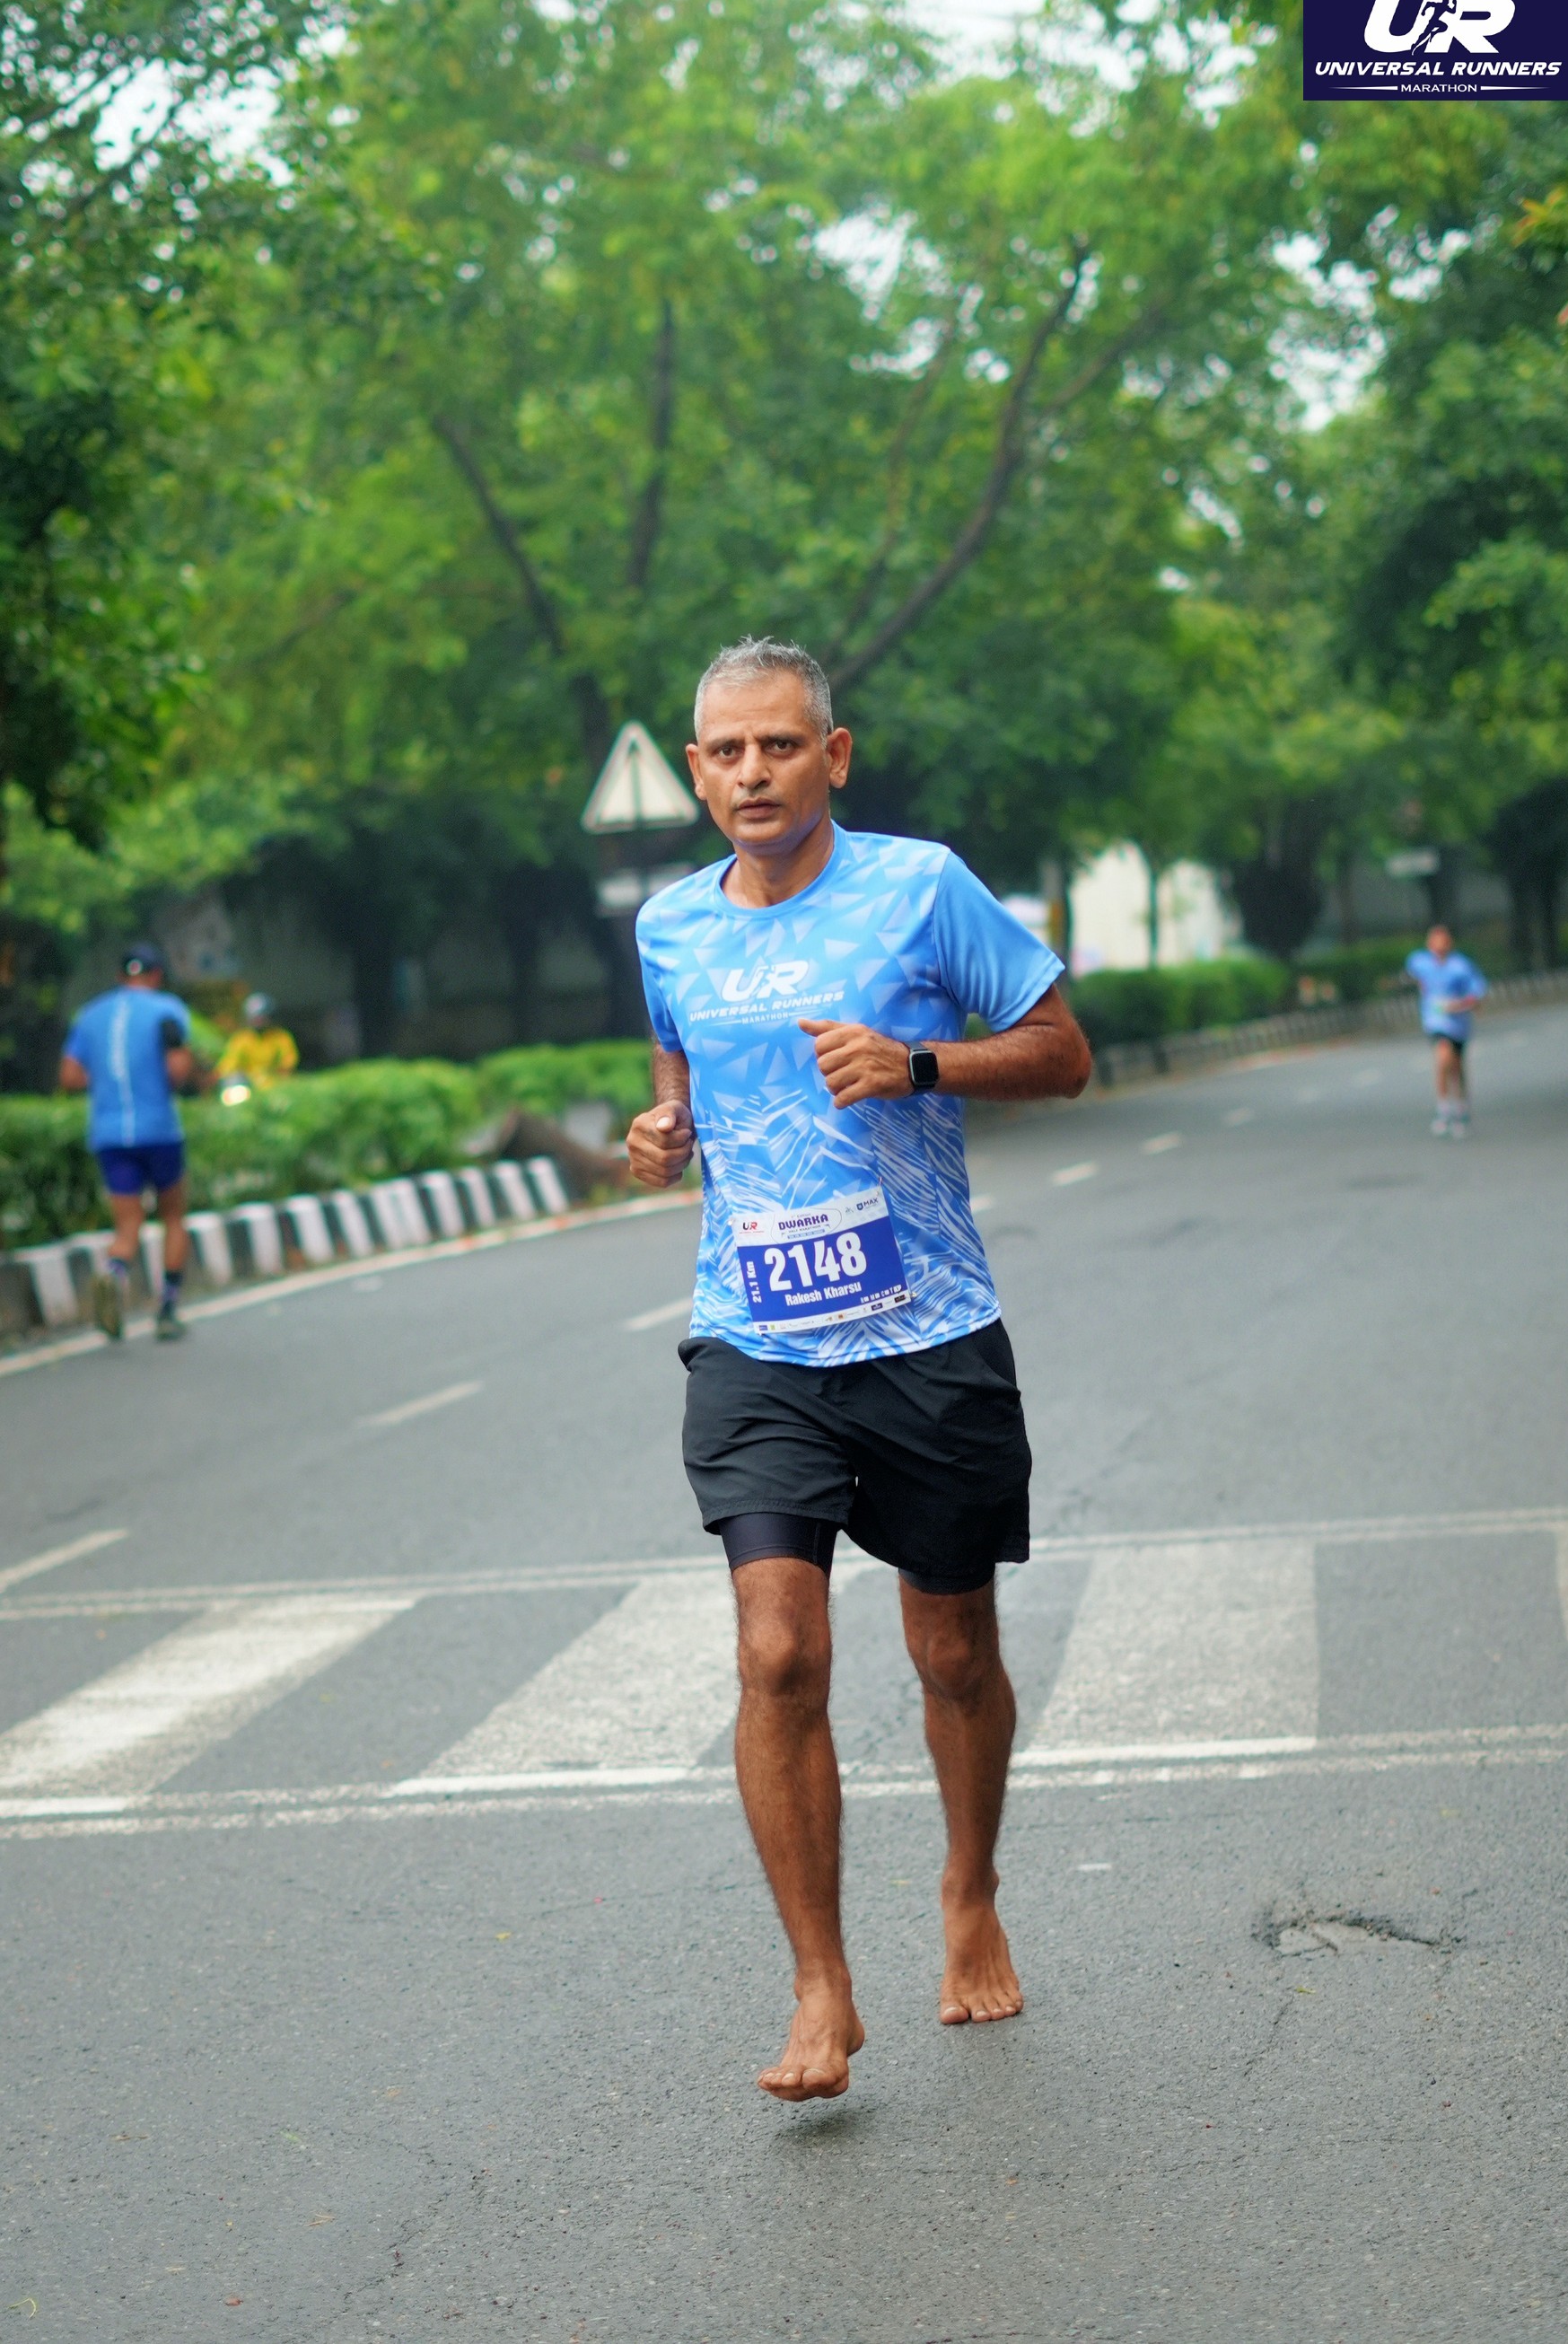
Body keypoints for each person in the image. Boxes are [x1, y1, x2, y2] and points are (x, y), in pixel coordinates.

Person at [627, 636, 1091, 2103]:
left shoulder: (921, 888)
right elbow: (675, 1065)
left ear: (833, 755)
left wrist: (921, 1063)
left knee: (952, 1652)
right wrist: (662, 1128)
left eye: (780, 746)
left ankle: (969, 1887)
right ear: (695, 770)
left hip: (927, 1334)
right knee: (777, 1650)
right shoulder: (668, 926)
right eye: (725, 752)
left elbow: (1064, 1051)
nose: (752, 773)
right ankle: (820, 1982)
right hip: (755, 1339)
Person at [58, 940, 196, 1342]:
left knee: (128, 1224)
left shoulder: (90, 1015)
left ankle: (113, 1270)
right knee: (173, 1216)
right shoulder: (167, 1010)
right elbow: (178, 1071)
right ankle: (167, 1308)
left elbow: (69, 1077)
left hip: (109, 1133)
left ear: (120, 976)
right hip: (159, 1130)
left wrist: (107, 1081)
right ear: (156, 975)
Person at [1405, 925, 1487, 1137]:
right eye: (1435, 943)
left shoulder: (1461, 966)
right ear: (1429, 944)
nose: (1439, 948)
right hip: (1435, 1020)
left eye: (1443, 943)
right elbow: (1411, 974)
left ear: (1449, 944)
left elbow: (1476, 991)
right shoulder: (1420, 962)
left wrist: (1463, 1004)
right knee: (1443, 1057)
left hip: (1459, 1022)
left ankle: (1461, 1105)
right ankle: (1443, 1107)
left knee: (1457, 1065)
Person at [216, 993, 299, 1092]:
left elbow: (288, 1062)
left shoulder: (281, 1037)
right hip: (248, 1084)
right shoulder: (241, 1039)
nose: (258, 1022)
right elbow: (228, 1064)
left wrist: (277, 1075)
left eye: (261, 1018)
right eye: (254, 1018)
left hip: (275, 1083)